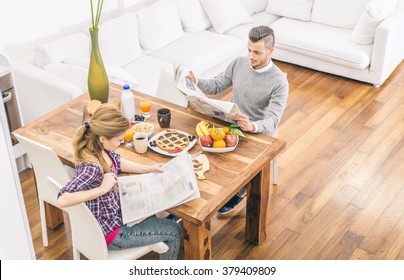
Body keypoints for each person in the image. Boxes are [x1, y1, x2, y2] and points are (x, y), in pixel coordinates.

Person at [57, 104, 181, 260]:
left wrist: (149, 168)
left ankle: (155, 238)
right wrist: (102, 188)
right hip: (112, 232)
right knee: (174, 231)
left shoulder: (101, 148)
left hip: (118, 214)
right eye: (119, 140)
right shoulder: (92, 168)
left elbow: (119, 162)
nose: (121, 143)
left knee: (152, 206)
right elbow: (62, 198)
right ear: (103, 138)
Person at [188, 26, 289, 214]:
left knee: (234, 162)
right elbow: (217, 85)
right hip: (230, 121)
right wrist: (196, 82)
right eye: (249, 50)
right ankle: (200, 191)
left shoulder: (279, 82)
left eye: (257, 52)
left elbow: (273, 120)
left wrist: (252, 126)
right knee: (198, 146)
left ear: (271, 51)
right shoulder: (239, 63)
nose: (251, 56)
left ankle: (240, 189)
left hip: (256, 131)